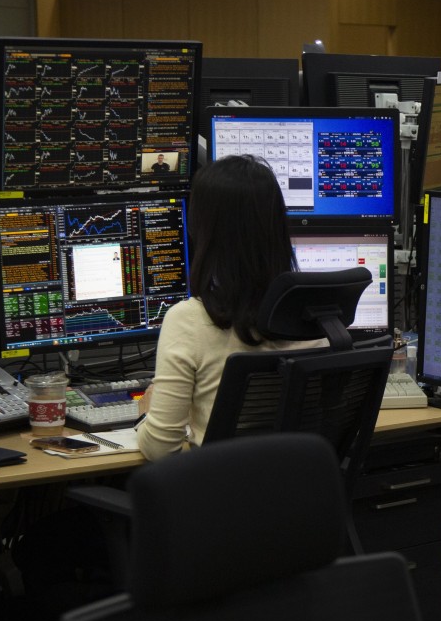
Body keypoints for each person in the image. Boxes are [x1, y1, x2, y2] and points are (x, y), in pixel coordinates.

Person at [136, 155, 323, 460]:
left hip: (219, 488)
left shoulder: (189, 320)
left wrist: (148, 413)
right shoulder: (316, 314)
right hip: (301, 485)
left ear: (203, 231)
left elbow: (160, 449)